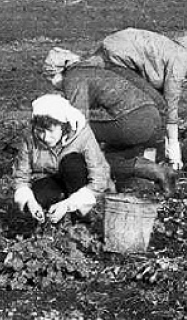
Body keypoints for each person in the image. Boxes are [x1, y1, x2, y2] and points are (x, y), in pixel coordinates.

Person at [43, 48, 176, 194]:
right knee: (112, 158)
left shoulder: (73, 77)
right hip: (150, 116)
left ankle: (153, 172)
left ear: (56, 73)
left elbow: (78, 120)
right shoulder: (90, 70)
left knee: (82, 139)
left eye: (50, 79)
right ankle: (157, 172)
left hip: (133, 120)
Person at [93, 28, 187, 169]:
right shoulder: (181, 61)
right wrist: (174, 149)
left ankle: (140, 151)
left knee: (154, 106)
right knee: (156, 107)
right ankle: (121, 151)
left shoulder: (185, 53)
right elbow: (171, 105)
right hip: (118, 56)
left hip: (118, 47)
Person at [12, 94, 114, 225]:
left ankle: (81, 221)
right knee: (37, 197)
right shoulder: (30, 137)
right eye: (40, 131)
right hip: (52, 181)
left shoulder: (82, 134)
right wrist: (29, 201)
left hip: (79, 182)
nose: (45, 137)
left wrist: (68, 204)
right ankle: (50, 222)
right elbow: (21, 176)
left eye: (51, 131)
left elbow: (99, 178)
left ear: (64, 127)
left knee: (72, 162)